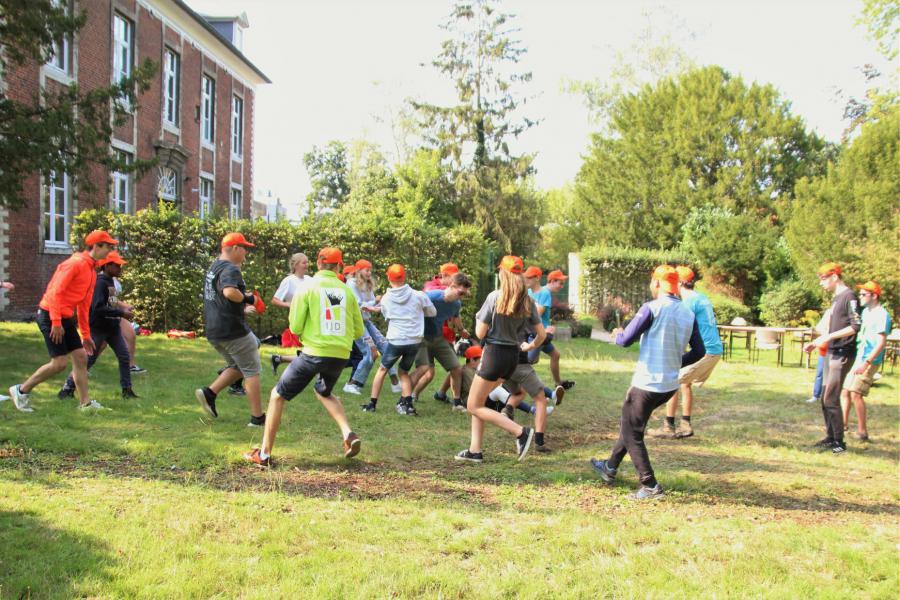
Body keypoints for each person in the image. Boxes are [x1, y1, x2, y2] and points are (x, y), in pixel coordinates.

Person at [590, 265, 705, 500]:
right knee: (631, 424)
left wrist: (617, 333)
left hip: (648, 383)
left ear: (656, 284)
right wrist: (675, 362)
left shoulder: (651, 308)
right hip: (669, 385)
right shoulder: (687, 313)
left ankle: (649, 484)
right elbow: (699, 350)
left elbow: (625, 340)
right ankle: (610, 467)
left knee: (632, 431)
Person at [243, 247, 365, 467]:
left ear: (318, 264)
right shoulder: (347, 292)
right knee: (324, 391)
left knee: (277, 395)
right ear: (338, 266)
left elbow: (296, 326)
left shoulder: (307, 286)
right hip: (340, 354)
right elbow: (357, 331)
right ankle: (348, 434)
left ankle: (264, 454)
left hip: (314, 351)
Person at [8, 230, 117, 412]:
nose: (109, 251)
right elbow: (56, 292)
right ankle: (21, 390)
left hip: (64, 317)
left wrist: (86, 334)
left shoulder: (91, 270)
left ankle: (85, 404)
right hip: (50, 314)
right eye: (108, 247)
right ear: (96, 246)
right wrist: (56, 322)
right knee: (59, 363)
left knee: (81, 357)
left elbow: (83, 305)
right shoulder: (74, 264)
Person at [455, 255, 545, 464]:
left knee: (473, 405)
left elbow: (480, 332)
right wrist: (530, 346)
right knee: (479, 402)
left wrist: (479, 319)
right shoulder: (528, 301)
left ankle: (520, 432)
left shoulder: (495, 296)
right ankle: (474, 450)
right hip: (514, 357)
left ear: (503, 273)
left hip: (494, 355)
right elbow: (541, 334)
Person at [194, 232, 265, 427]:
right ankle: (257, 419)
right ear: (234, 248)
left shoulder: (214, 266)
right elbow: (229, 292)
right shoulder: (231, 268)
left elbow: (222, 294)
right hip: (233, 330)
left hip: (215, 330)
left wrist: (243, 299)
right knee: (252, 370)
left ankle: (209, 393)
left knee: (239, 365)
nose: (246, 254)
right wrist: (250, 299)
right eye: (244, 249)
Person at [647, 266, 722, 439]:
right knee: (683, 382)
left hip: (706, 352)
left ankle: (668, 426)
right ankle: (685, 424)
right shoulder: (701, 298)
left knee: (674, 380)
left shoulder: (687, 303)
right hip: (713, 350)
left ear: (680, 283)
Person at [57, 251, 138, 400]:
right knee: (88, 360)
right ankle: (67, 388)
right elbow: (98, 308)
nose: (120, 268)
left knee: (124, 356)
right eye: (117, 265)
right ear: (107, 266)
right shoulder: (100, 282)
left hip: (112, 328)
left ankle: (127, 391)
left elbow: (112, 304)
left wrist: (121, 310)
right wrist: (121, 314)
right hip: (98, 328)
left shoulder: (110, 281)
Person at [362, 264, 436, 415]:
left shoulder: (386, 299)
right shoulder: (419, 295)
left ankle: (372, 404)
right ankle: (407, 406)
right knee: (404, 372)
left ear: (388, 277)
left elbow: (387, 315)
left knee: (382, 370)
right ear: (405, 277)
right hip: (414, 341)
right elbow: (432, 312)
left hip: (396, 341)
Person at [803, 262, 861, 454]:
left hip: (842, 353)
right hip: (830, 351)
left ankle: (839, 442)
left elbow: (855, 326)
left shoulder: (849, 296)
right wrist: (819, 341)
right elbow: (832, 328)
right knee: (825, 398)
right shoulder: (836, 299)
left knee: (831, 397)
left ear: (835, 277)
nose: (821, 284)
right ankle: (830, 436)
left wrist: (828, 337)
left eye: (824, 279)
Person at [411, 273, 473, 409]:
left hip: (438, 338)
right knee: (425, 371)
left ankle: (457, 403)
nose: (461, 296)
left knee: (456, 368)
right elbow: (412, 306)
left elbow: (456, 317)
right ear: (452, 286)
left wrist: (462, 330)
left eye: (464, 294)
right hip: (421, 338)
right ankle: (408, 397)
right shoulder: (432, 296)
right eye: (460, 292)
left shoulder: (456, 304)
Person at [841, 281, 890, 442]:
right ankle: (843, 424)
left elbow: (881, 342)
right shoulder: (866, 312)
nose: (860, 297)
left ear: (874, 296)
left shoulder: (882, 315)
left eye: (863, 294)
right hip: (859, 357)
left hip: (869, 360)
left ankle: (863, 432)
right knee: (845, 391)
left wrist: (866, 363)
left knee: (856, 393)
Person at [343, 259, 401, 396]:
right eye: (366, 270)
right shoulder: (351, 284)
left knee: (386, 346)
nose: (369, 273)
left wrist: (380, 305)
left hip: (366, 321)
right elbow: (358, 304)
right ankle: (352, 384)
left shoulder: (368, 284)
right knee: (370, 352)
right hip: (355, 322)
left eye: (370, 270)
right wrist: (374, 302)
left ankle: (395, 383)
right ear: (358, 270)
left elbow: (371, 306)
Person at [523, 267, 574, 391]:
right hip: (539, 333)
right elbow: (538, 313)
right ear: (552, 281)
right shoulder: (543, 293)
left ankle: (558, 383)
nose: (562, 286)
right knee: (529, 362)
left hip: (541, 332)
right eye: (560, 283)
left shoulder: (536, 292)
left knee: (555, 355)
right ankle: (523, 390)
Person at [270, 252, 313, 374]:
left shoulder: (310, 280)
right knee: (312, 349)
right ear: (296, 265)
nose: (307, 265)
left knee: (311, 349)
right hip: (298, 319)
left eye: (307, 262)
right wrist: (290, 304)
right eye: (304, 262)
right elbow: (275, 300)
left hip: (312, 318)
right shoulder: (289, 280)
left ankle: (279, 359)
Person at [805, 309, 831, 404]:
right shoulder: (828, 314)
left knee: (831, 377)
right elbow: (820, 328)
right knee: (820, 374)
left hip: (834, 354)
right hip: (823, 352)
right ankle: (816, 395)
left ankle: (828, 397)